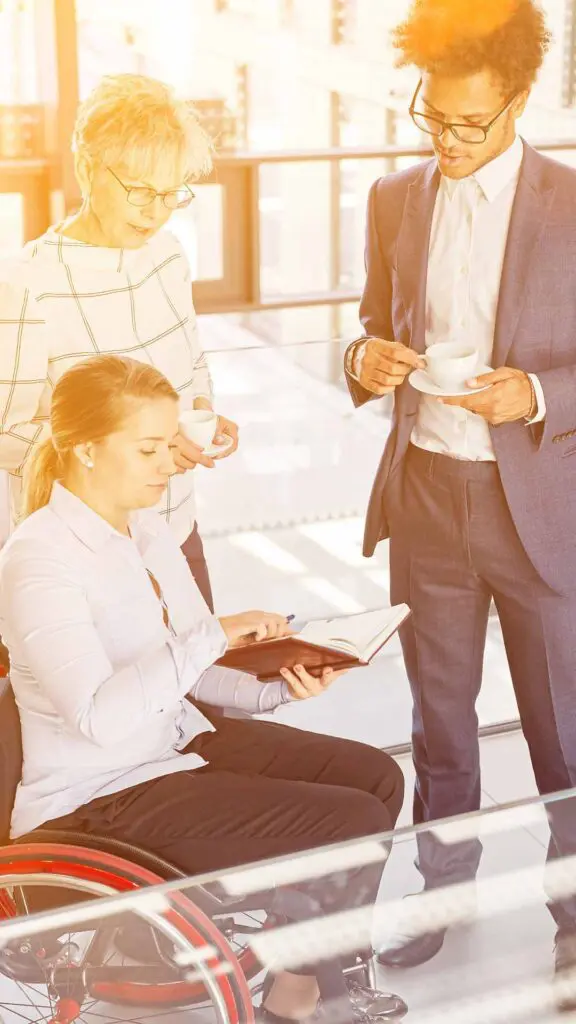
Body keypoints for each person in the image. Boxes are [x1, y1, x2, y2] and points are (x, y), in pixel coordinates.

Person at [0, 354, 407, 1024]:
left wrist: (280, 684)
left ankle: (300, 959)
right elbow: (100, 718)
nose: (170, 463)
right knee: (349, 821)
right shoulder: (40, 560)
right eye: (150, 447)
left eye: (169, 444)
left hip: (168, 746)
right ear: (84, 449)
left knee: (374, 777)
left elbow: (192, 669)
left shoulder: (145, 528)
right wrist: (210, 634)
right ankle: (304, 990)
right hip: (99, 792)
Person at [344, 0, 576, 992]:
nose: (444, 137)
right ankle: (444, 894)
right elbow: (363, 327)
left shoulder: (571, 205)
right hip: (427, 498)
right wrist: (364, 357)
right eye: (431, 116)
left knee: (561, 727)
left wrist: (536, 391)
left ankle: (572, 914)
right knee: (439, 723)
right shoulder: (395, 198)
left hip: (540, 511)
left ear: (520, 101)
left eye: (467, 123)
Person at [0, 72, 235, 611]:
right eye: (139, 191)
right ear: (86, 166)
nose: (155, 212)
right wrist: (131, 448)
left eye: (171, 193)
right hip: (83, 555)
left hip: (174, 530)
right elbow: (5, 432)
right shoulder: (29, 282)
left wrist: (202, 412)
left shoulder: (169, 254)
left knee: (202, 688)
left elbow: (192, 364)